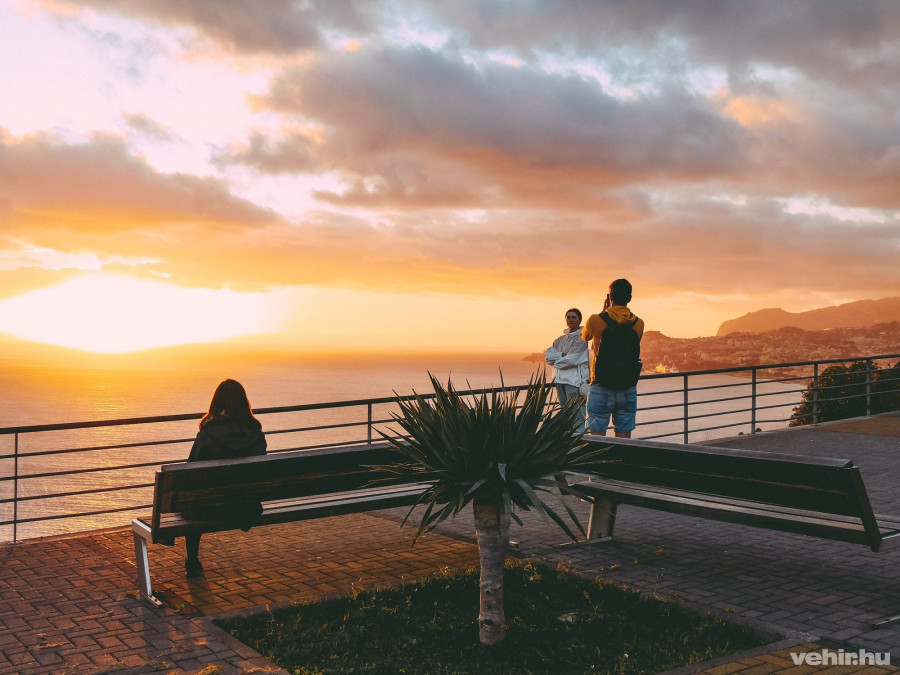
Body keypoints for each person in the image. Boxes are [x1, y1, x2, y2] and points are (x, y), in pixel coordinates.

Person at [184, 379, 267, 578]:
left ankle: (192, 560)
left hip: (212, 508)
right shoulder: (255, 432)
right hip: (247, 507)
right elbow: (261, 471)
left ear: (216, 403)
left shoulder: (208, 434)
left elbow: (190, 471)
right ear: (244, 403)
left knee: (191, 502)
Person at [582, 279, 645, 437]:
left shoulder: (595, 320)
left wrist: (603, 312)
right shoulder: (638, 323)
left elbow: (585, 336)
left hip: (601, 385)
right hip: (627, 386)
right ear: (629, 298)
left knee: (597, 442)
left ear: (610, 297)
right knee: (624, 441)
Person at [544, 308, 589, 433]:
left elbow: (571, 360)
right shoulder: (559, 339)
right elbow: (548, 358)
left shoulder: (582, 339)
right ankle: (568, 443)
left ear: (580, 320)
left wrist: (558, 358)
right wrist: (563, 355)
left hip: (574, 383)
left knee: (577, 418)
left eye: (574, 317)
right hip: (559, 382)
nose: (570, 320)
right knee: (565, 416)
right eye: (568, 317)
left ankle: (579, 443)